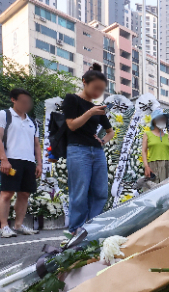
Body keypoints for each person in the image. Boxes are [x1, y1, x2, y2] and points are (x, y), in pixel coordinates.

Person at [63, 63, 114, 234]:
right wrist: (90, 113)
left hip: (97, 151)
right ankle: (75, 230)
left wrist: (103, 141)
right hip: (77, 150)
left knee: (100, 192)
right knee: (80, 192)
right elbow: (71, 125)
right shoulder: (72, 99)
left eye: (101, 90)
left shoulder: (98, 108)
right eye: (95, 88)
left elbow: (110, 131)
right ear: (84, 82)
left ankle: (93, 229)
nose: (98, 93)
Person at [0, 88, 43, 238]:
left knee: (25, 194)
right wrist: (4, 159)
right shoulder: (3, 115)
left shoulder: (32, 121)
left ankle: (19, 225)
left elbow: (36, 145)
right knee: (7, 193)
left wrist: (39, 163)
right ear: (13, 100)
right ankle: (4, 226)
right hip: (11, 159)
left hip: (28, 161)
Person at [141, 109, 169, 182]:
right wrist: (146, 166)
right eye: (160, 118)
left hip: (167, 165)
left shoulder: (168, 136)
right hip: (153, 165)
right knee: (153, 189)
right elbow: (144, 151)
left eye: (163, 118)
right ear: (154, 120)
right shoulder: (147, 134)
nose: (162, 120)